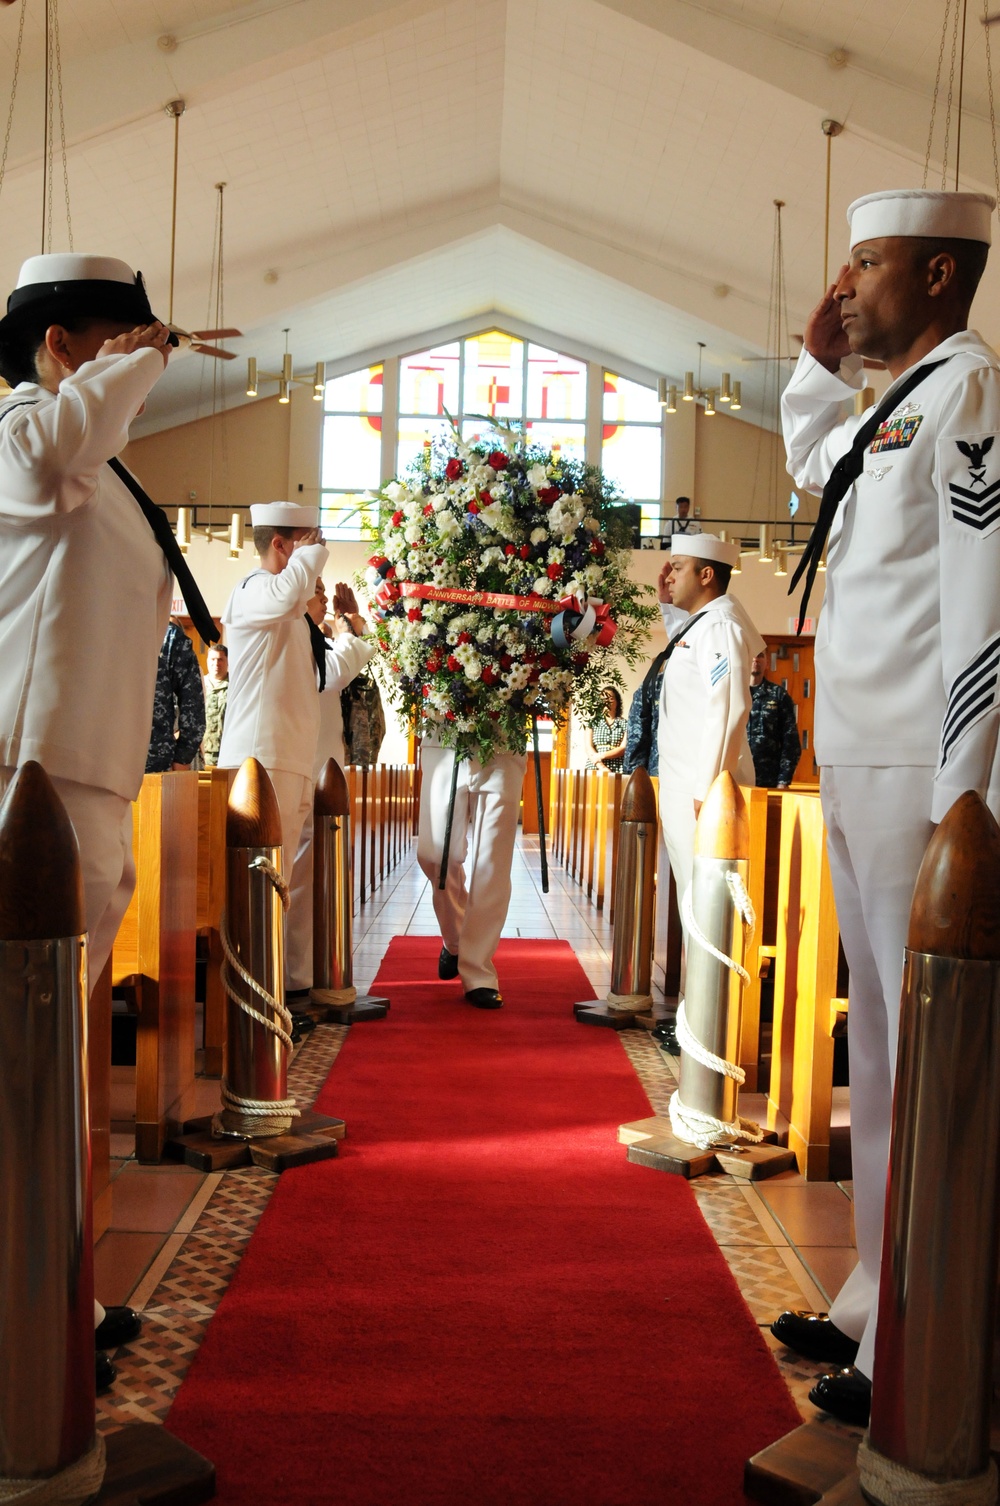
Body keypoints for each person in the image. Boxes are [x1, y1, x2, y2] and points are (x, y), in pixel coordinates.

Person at [774, 187, 1000, 1427]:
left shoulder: (968, 394)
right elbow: (820, 466)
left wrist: (968, 789)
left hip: (924, 766)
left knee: (923, 1056)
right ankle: (874, 1297)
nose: (843, 282)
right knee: (877, 1053)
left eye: (864, 263)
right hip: (859, 756)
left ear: (934, 273)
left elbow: (983, 595)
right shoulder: (897, 404)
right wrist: (814, 366)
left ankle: (926, 1319)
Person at [0, 250, 218, 1392]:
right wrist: (130, 371)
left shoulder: (101, 464)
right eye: (114, 341)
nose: (143, 363)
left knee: (45, 1059)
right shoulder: (27, 435)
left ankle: (42, 1296)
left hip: (88, 774)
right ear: (57, 348)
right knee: (13, 1055)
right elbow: (48, 457)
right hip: (27, 784)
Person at [216, 502, 330, 920]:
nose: (320, 550)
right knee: (258, 887)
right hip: (260, 759)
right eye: (312, 541)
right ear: (281, 545)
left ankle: (276, 983)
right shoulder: (252, 588)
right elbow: (285, 597)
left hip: (290, 758)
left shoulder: (289, 607)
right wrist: (310, 558)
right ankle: (250, 984)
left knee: (281, 888)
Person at [657, 534, 763, 913]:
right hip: (686, 786)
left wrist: (710, 789)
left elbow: (729, 705)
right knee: (693, 898)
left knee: (708, 904)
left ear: (706, 575)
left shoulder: (720, 626)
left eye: (677, 567)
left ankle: (713, 976)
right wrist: (668, 607)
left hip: (701, 791)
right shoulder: (702, 626)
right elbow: (684, 643)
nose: (667, 575)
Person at [285, 580, 373, 1000]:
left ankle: (307, 970)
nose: (323, 596)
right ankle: (293, 976)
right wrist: (348, 633)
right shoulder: (288, 627)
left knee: (318, 870)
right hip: (300, 760)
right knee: (299, 872)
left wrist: (349, 629)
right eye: (316, 588)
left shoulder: (312, 632)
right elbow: (334, 673)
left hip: (323, 760)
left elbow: (350, 673)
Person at [417, 734, 526, 1011]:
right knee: (435, 855)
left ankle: (478, 971)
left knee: (491, 863)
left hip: (502, 740)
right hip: (444, 740)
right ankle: (455, 940)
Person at [145, 617, 206, 773]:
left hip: (153, 763)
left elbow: (193, 705)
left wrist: (182, 758)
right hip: (97, 760)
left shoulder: (169, 637)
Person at [747, 651, 801, 788]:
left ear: (767, 663)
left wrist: (783, 780)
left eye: (760, 655)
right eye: (751, 655)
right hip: (738, 777)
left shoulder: (778, 695)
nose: (755, 659)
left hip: (768, 779)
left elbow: (791, 741)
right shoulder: (734, 692)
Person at [587, 686, 627, 771]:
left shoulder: (625, 724)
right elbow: (589, 747)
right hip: (595, 767)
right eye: (603, 699)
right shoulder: (593, 722)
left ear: (617, 702)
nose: (606, 701)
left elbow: (623, 748)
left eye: (610, 698)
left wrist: (602, 755)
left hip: (617, 767)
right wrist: (601, 767)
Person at [202, 643, 229, 768]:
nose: (216, 664)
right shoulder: (199, 685)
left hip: (227, 753)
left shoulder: (235, 686)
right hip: (203, 753)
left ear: (227, 661)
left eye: (220, 660)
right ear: (208, 661)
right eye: (213, 659)